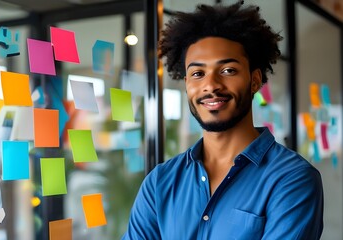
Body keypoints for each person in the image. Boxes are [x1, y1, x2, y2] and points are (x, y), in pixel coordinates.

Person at [122, 1, 324, 239]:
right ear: (187, 85)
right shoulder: (160, 182)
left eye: (228, 70)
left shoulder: (292, 179)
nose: (211, 85)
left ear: (255, 80)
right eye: (198, 74)